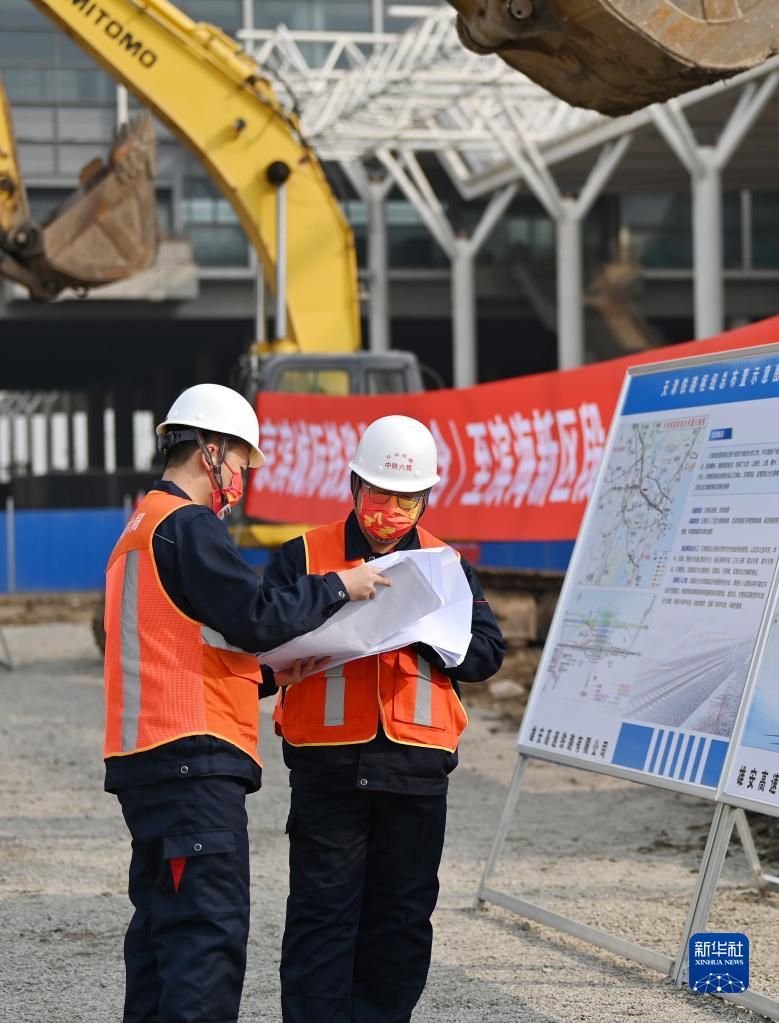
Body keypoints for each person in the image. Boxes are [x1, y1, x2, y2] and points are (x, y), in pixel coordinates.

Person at [102, 383, 389, 1023]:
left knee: (160, 944)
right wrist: (340, 586)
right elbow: (256, 615)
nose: (241, 476)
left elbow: (183, 646)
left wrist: (271, 675)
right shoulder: (188, 525)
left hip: (150, 761)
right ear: (210, 450)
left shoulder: (139, 529)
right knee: (206, 941)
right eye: (239, 460)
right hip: (192, 764)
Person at [264, 414, 506, 1023]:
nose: (390, 511)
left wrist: (427, 634)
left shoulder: (446, 566)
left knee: (400, 917)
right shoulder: (302, 556)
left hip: (414, 767)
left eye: (407, 499)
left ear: (426, 498)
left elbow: (486, 653)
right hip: (328, 765)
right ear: (353, 486)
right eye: (379, 494)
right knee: (322, 913)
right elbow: (260, 638)